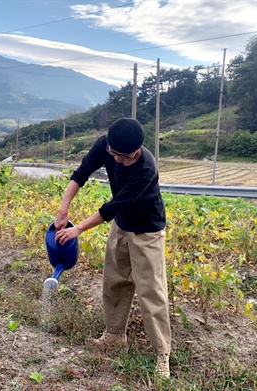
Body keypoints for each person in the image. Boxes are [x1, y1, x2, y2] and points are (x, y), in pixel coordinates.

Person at [54, 117, 171, 378]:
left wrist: (79, 228)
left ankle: (162, 353)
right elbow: (80, 174)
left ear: (137, 151)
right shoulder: (106, 146)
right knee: (115, 280)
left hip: (147, 229)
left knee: (151, 291)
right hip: (121, 225)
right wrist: (63, 210)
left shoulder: (145, 168)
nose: (118, 161)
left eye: (125, 157)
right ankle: (115, 335)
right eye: (114, 155)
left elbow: (113, 206)